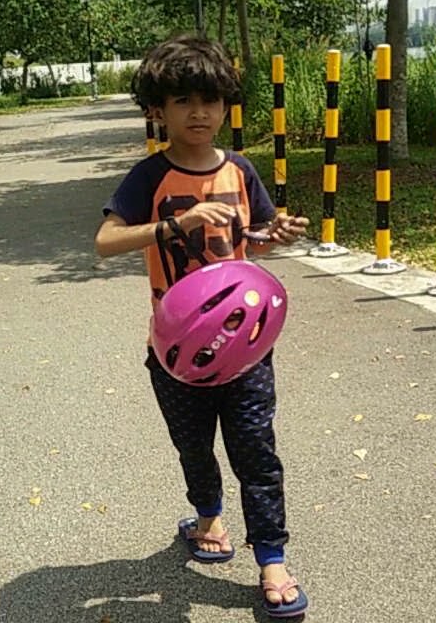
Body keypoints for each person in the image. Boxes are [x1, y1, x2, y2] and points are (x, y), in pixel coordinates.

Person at [94, 33, 311, 618]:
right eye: (183, 101)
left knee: (257, 452)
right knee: (193, 446)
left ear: (225, 106)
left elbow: (250, 242)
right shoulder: (149, 176)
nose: (199, 113)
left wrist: (274, 236)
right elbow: (106, 241)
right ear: (157, 110)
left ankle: (272, 559)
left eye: (210, 100)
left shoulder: (240, 170)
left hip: (244, 348)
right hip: (176, 353)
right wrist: (176, 224)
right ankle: (208, 516)